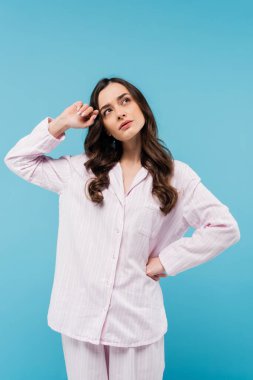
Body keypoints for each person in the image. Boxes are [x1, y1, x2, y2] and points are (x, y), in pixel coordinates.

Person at [4, 77, 240, 380]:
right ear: (103, 125)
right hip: (79, 319)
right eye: (107, 110)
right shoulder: (79, 171)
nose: (119, 112)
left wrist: (167, 262)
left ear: (141, 104)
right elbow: (18, 160)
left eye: (125, 100)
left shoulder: (177, 176)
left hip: (136, 321)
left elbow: (224, 227)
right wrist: (62, 122)